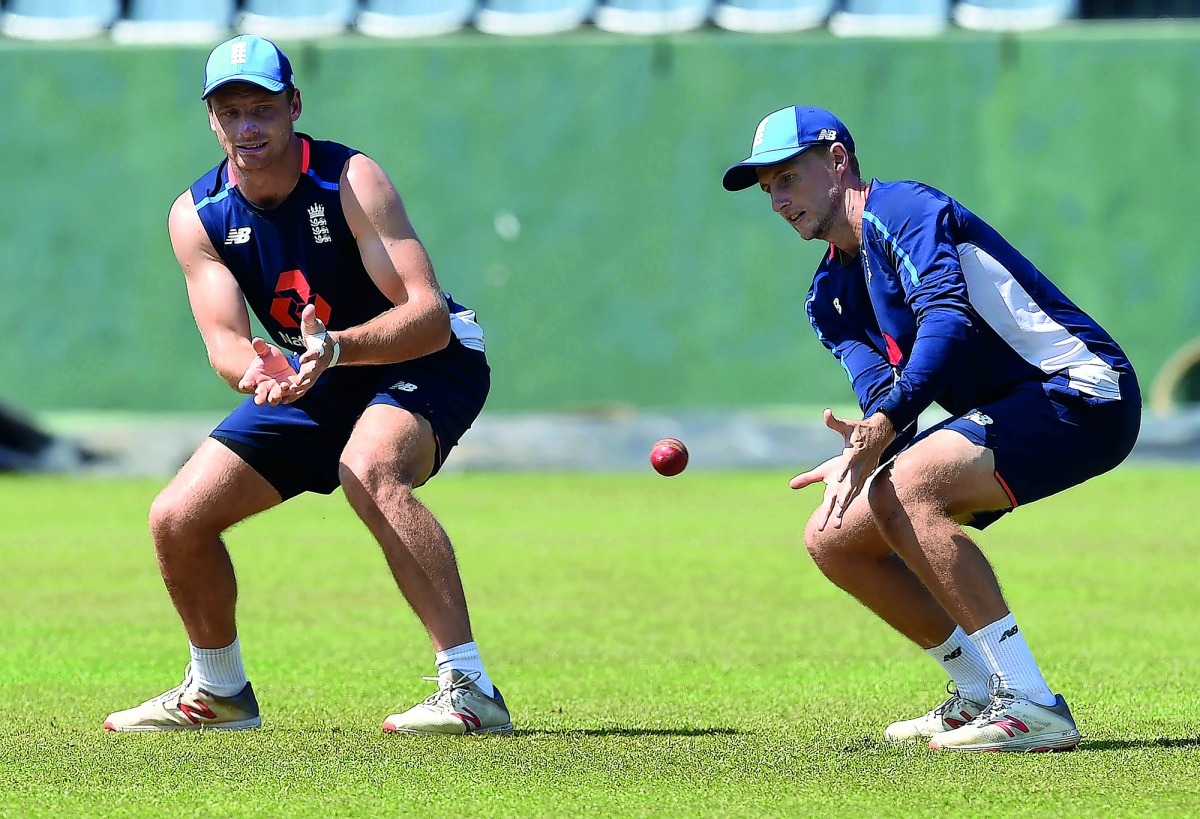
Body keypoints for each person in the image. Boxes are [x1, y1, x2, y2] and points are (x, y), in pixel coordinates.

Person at [103, 35, 512, 736]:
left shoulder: (351, 180)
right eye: (230, 112)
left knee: (369, 467)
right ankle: (219, 691)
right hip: (312, 372)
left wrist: (337, 349)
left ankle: (470, 688)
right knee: (177, 517)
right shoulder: (197, 215)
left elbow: (426, 316)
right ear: (211, 120)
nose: (248, 127)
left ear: (294, 104)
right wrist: (253, 369)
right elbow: (226, 341)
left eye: (262, 107)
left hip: (425, 357)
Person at [722, 106, 1140, 752]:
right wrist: (864, 447)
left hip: (1082, 390)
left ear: (837, 161)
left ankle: (1031, 703)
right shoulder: (829, 297)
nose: (776, 199)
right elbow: (885, 398)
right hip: (1013, 405)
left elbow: (948, 319)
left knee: (906, 485)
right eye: (766, 188)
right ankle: (979, 690)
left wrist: (885, 431)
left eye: (787, 177)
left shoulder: (904, 211)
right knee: (833, 536)